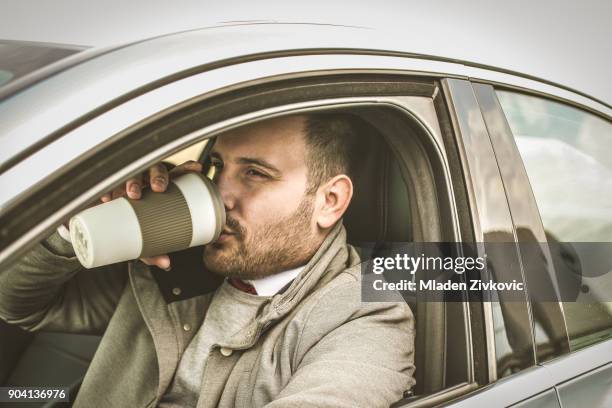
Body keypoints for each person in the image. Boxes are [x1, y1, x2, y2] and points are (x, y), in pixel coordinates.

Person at [0, 113, 415, 407]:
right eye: (217, 168)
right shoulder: (173, 261)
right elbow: (18, 305)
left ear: (329, 201)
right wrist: (76, 223)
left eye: (255, 173)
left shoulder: (366, 315)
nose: (221, 194)